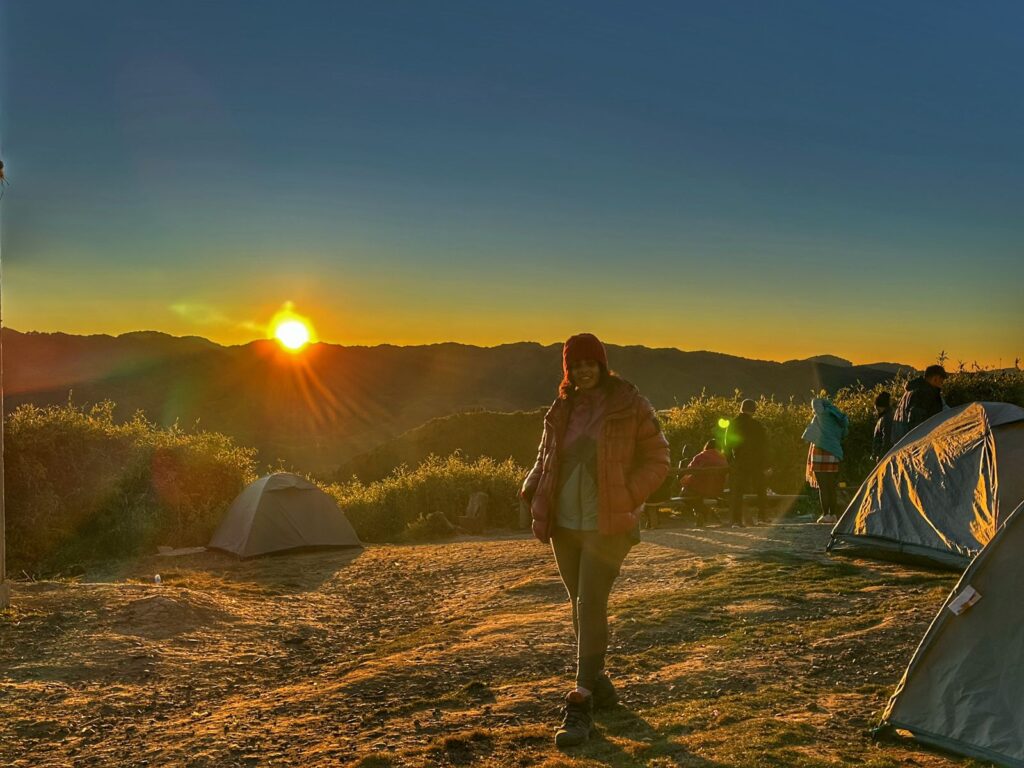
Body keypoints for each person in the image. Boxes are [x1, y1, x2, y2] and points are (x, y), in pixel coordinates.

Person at [520, 333, 670, 748]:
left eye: (591, 363)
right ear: (568, 370)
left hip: (608, 526)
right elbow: (545, 454)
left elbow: (659, 458)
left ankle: (581, 699)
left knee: (589, 604)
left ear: (602, 365)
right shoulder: (562, 406)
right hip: (564, 524)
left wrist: (628, 493)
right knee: (579, 605)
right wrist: (531, 488)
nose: (583, 370)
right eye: (575, 365)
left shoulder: (629, 403)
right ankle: (599, 684)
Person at [801, 397, 849, 524]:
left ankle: (825, 514)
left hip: (819, 454)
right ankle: (833, 515)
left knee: (823, 487)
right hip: (834, 454)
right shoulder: (837, 417)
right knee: (831, 486)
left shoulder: (821, 416)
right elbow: (844, 434)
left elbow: (815, 402)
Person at [724, 399, 769, 526]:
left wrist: (730, 460)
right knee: (760, 489)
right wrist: (765, 463)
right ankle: (762, 517)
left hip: (739, 461)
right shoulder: (757, 425)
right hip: (756, 462)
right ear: (754, 410)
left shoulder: (733, 424)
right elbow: (763, 446)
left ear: (741, 409)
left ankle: (737, 520)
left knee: (737, 492)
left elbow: (727, 444)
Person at [679, 439, 729, 526]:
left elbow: (689, 470)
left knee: (684, 495)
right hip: (717, 489)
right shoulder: (723, 458)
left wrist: (684, 482)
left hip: (699, 489)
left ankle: (701, 511)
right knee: (694, 494)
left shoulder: (700, 457)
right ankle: (703, 512)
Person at [892, 365, 947, 442]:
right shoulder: (924, 393)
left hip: (901, 440)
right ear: (935, 378)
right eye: (941, 381)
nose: (942, 385)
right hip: (914, 442)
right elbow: (916, 423)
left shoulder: (912, 390)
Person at [871, 391, 894, 462]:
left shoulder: (886, 418)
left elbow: (886, 439)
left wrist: (881, 456)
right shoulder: (885, 417)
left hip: (883, 458)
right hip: (881, 456)